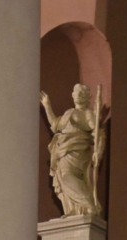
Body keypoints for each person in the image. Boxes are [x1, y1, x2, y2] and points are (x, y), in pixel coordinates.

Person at [39, 83, 107, 217]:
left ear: (87, 97)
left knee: (67, 177)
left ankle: (89, 205)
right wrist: (47, 105)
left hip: (77, 153)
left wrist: (98, 152)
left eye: (82, 93)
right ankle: (74, 210)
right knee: (64, 179)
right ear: (72, 95)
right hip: (63, 152)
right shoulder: (69, 112)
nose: (78, 95)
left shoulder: (88, 114)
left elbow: (100, 135)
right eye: (76, 92)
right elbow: (55, 125)